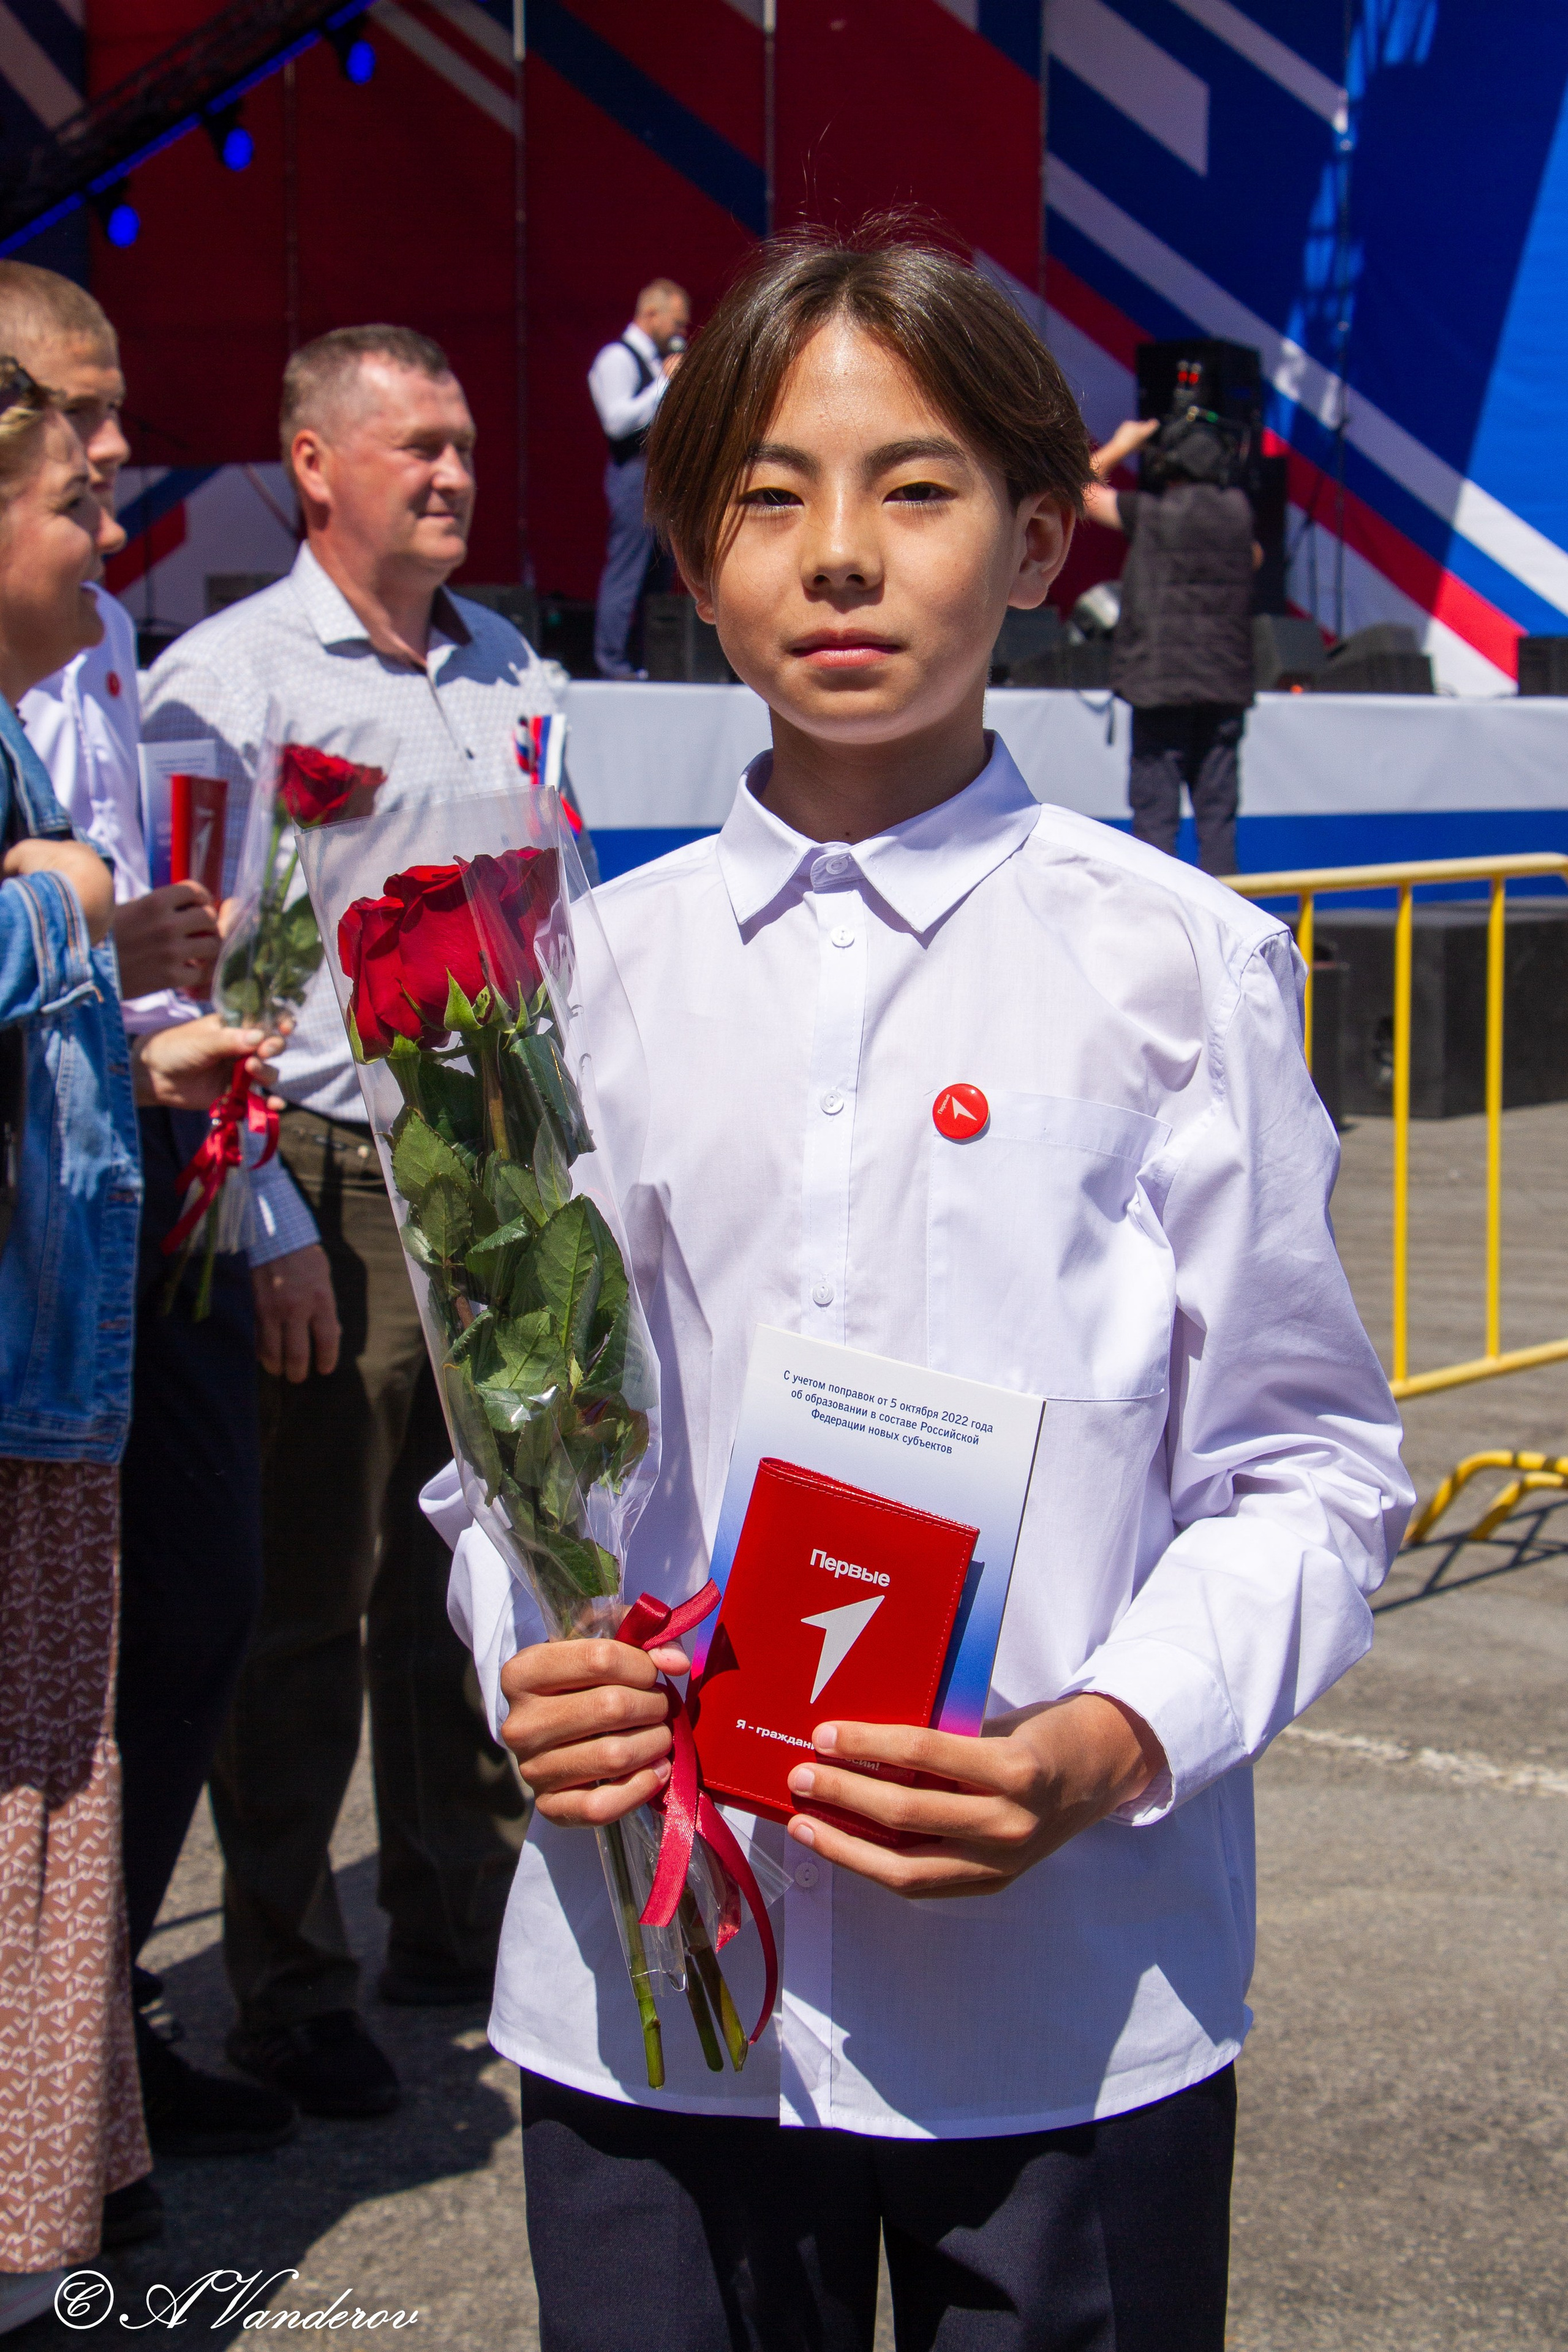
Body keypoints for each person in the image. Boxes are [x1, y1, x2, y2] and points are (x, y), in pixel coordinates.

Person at [437, 232, 1412, 2350]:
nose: (842, 557)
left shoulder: (1178, 967)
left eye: (920, 486)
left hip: (1064, 2009)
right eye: (771, 498)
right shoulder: (586, 980)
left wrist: (1105, 1737)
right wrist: (535, 1655)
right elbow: (497, 1468)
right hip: (652, 2003)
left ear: (1050, 538)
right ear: (691, 563)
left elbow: (1310, 1470)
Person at [140, 324, 575, 2122]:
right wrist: (258, 1219)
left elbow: (568, 908)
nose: (454, 474)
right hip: (324, 1165)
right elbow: (206, 976)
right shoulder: (225, 684)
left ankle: (455, 1913)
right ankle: (285, 1984)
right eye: (418, 446)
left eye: (466, 443)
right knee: (306, 1602)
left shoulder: (515, 667)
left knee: (474, 1574)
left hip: (499, 1160)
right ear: (312, 463)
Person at [1, 260, 309, 2194]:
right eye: (75, 449)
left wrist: (132, 1023)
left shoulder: (88, 659)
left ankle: (78, 2095)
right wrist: (69, 925)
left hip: (105, 1232)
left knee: (129, 1679)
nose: (120, 482)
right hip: (50, 1297)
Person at [1084, 412, 1260, 876]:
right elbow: (1257, 558)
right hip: (1223, 685)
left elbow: (1075, 492)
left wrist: (1123, 444)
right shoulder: (1240, 514)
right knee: (1218, 821)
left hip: (1160, 686)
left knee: (1155, 822)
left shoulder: (1152, 513)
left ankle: (1161, 933)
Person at [587, 278, 690, 679]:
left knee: (658, 574)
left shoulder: (656, 360)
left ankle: (651, 661)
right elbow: (617, 421)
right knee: (628, 569)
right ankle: (611, 661)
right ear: (651, 314)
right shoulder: (617, 357)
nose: (680, 333)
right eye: (677, 324)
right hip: (633, 476)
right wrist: (665, 385)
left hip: (660, 476)